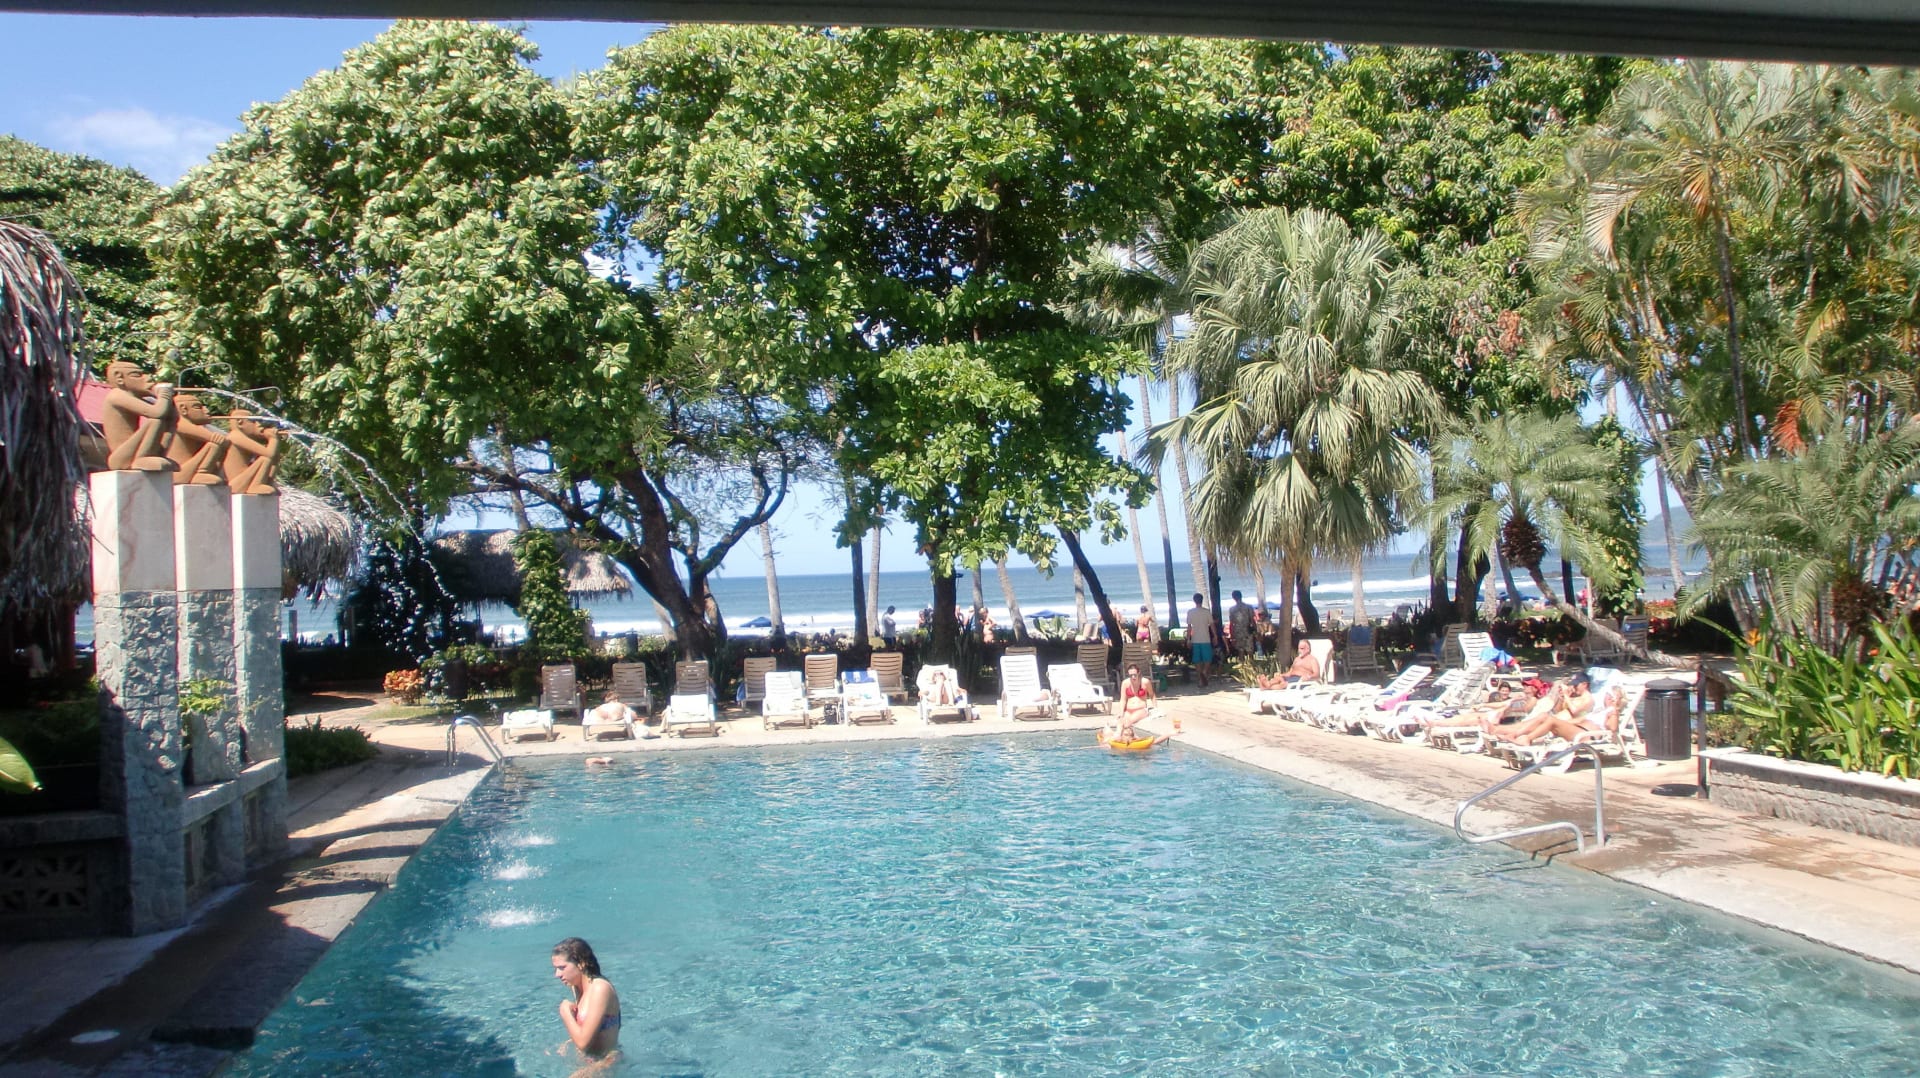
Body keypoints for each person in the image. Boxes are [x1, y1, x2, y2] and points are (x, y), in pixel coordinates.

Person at [552, 937, 621, 1064]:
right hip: (589, 1063)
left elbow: (583, 1043)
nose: (557, 974)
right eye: (556, 968)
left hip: (606, 1064)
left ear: (581, 963)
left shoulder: (600, 988)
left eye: (562, 967)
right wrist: (568, 1042)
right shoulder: (577, 986)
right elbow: (590, 1028)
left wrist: (565, 1013)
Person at [1492, 672, 1604, 746]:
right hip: (1561, 721)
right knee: (1540, 717)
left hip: (1573, 727)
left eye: (1576, 685)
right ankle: (1504, 731)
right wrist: (1561, 698)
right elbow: (1558, 710)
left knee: (1546, 720)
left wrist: (1566, 696)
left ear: (1584, 684)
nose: (1573, 687)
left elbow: (1575, 711)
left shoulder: (1589, 699)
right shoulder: (1575, 697)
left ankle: (1523, 738)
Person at [1186, 593, 1217, 688]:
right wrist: (1215, 636)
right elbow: (1212, 625)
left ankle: (1200, 679)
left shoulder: (1190, 612)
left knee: (1197, 660)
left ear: (1194, 601)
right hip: (1205, 638)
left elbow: (1189, 627)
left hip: (1195, 639)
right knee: (1208, 659)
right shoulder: (1206, 612)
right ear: (1202, 600)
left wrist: (1188, 639)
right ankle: (1204, 672)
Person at [1227, 591, 1256, 658]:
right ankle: (1251, 663)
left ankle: (1242, 663)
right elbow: (1252, 621)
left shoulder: (1232, 609)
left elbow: (1231, 623)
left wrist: (1232, 635)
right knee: (1250, 650)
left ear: (1233, 598)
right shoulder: (1249, 607)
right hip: (1248, 631)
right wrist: (1255, 631)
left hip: (1237, 632)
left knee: (1240, 650)